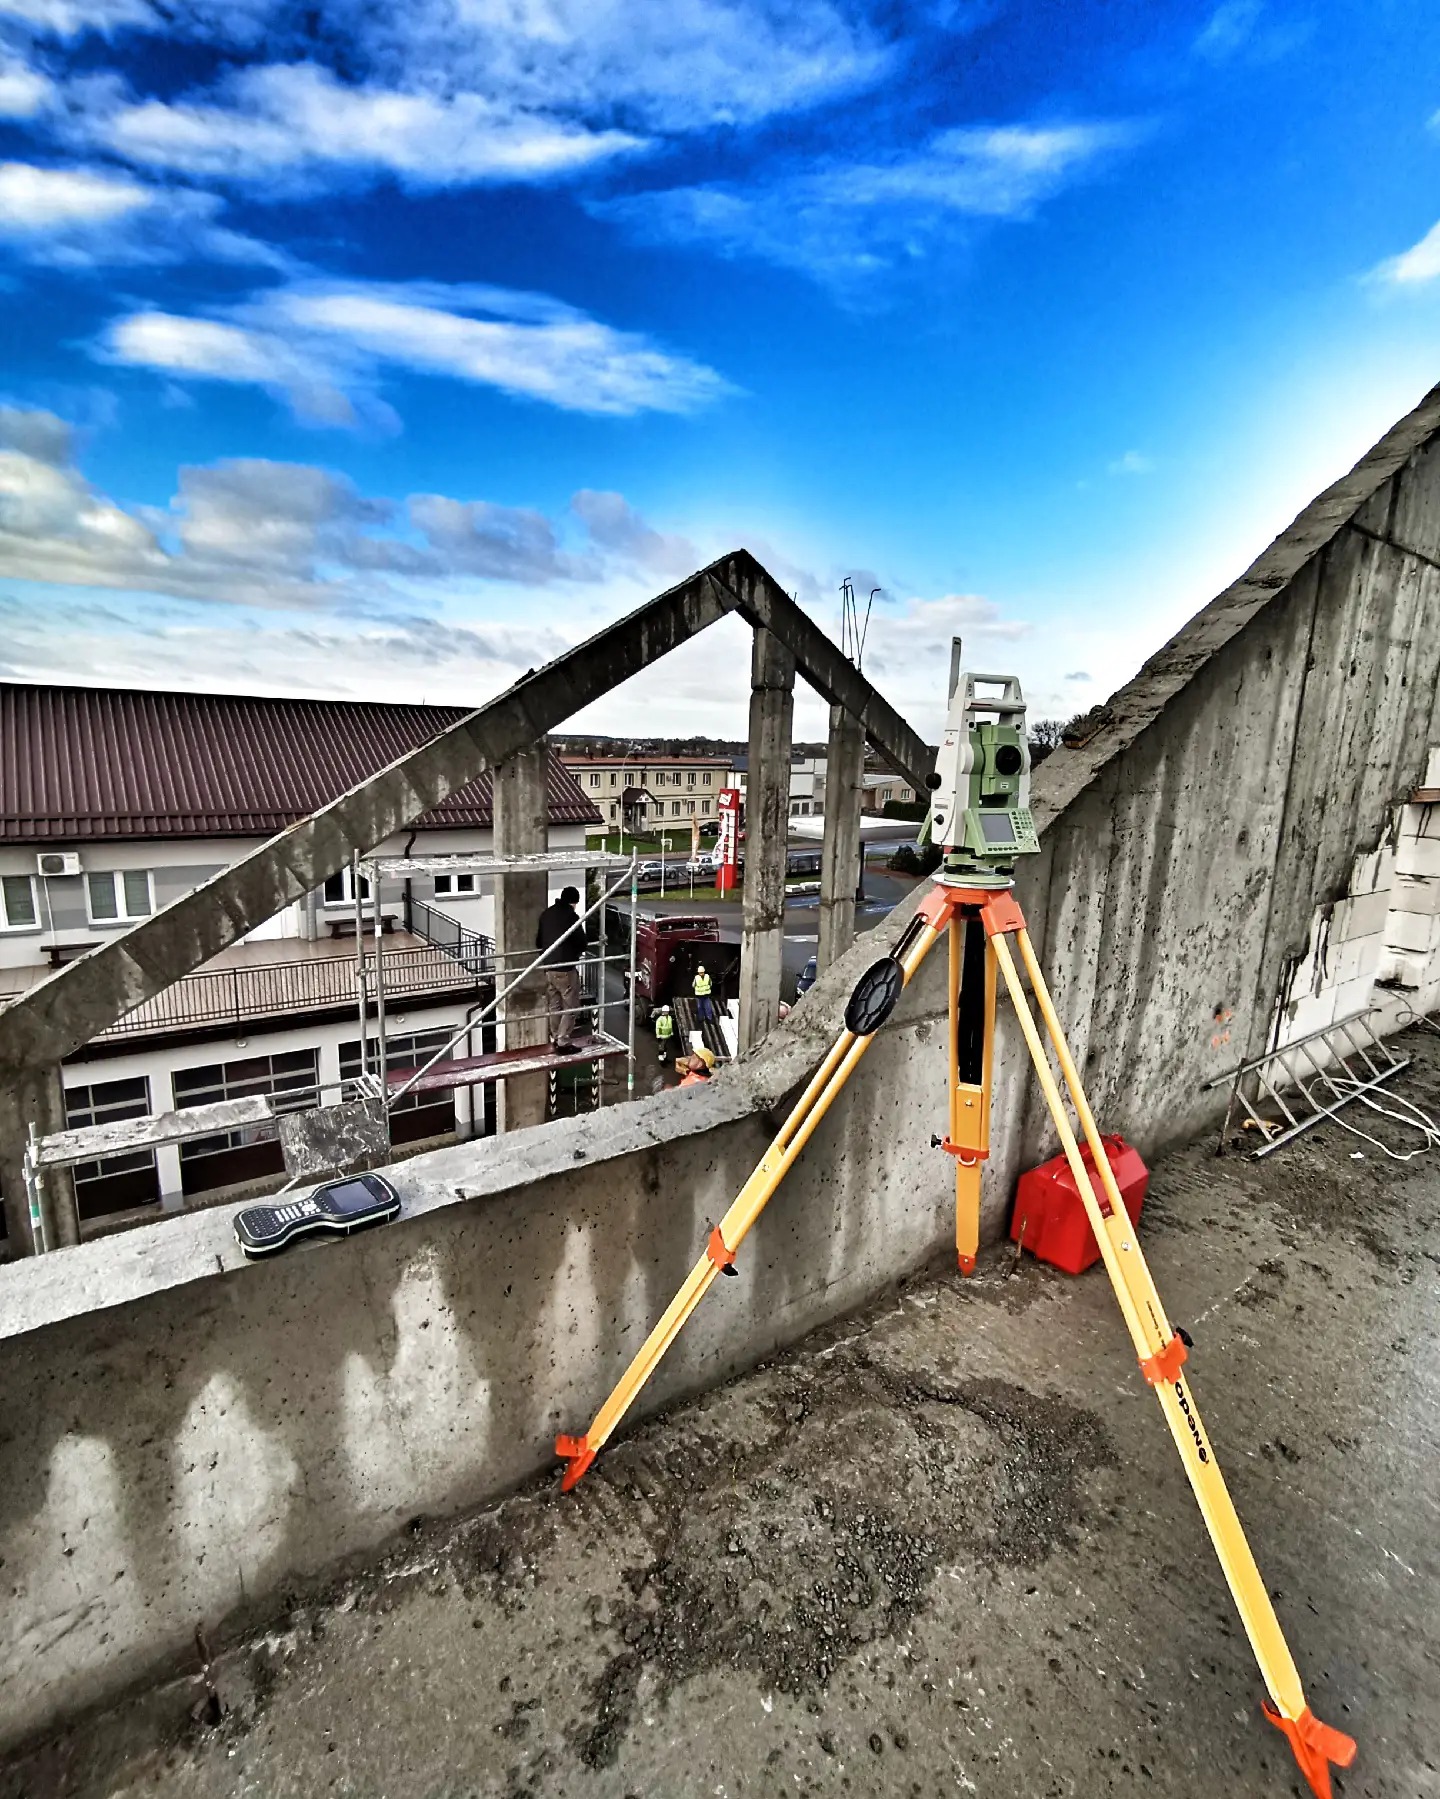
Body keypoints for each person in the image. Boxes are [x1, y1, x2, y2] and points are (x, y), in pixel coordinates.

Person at [535, 885, 584, 1054]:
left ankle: (556, 1037)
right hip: (565, 968)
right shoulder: (571, 916)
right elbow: (581, 942)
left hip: (548, 967)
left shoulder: (546, 914)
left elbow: (538, 942)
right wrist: (574, 952)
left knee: (555, 1005)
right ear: (573, 902)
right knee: (571, 1006)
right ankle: (563, 1041)